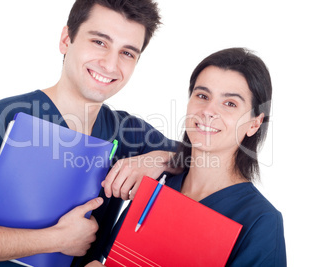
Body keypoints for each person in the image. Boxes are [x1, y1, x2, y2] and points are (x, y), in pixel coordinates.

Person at [0, 0, 178, 266]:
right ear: (66, 40)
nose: (110, 64)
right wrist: (55, 240)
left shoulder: (130, 134)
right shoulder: (1, 121)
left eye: (127, 53)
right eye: (99, 42)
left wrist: (160, 159)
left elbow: (208, 156)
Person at [98, 47, 286, 266]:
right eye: (202, 95)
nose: (208, 110)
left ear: (254, 124)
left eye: (230, 103)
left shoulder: (260, 221)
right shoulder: (158, 187)